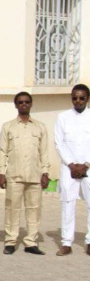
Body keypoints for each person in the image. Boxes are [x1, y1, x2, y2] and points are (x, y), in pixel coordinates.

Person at [0, 92, 49, 255]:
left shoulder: (40, 127)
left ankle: (31, 242)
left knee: (34, 209)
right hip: (14, 175)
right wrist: (1, 172)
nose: (24, 104)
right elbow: (2, 151)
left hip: (34, 176)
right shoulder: (8, 126)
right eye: (20, 102)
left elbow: (44, 152)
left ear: (31, 104)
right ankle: (11, 241)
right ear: (16, 105)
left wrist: (45, 172)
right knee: (12, 209)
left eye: (27, 102)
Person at [54, 83, 90, 256]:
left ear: (87, 99)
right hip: (69, 168)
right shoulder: (63, 117)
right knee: (68, 203)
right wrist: (71, 164)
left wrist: (86, 165)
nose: (78, 101)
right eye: (75, 98)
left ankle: (89, 241)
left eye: (82, 98)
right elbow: (59, 143)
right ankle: (66, 242)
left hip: (88, 168)